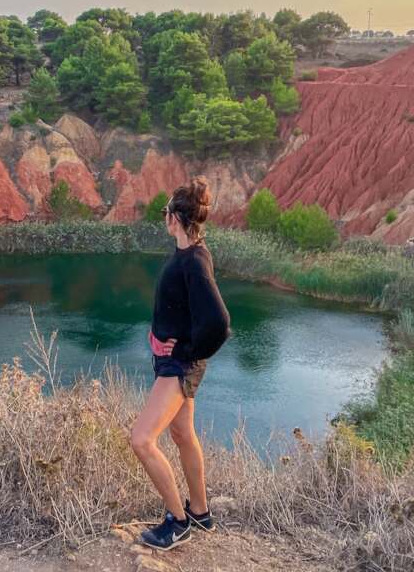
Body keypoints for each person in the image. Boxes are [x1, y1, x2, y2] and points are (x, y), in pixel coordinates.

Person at [131, 176, 232, 550]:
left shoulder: (193, 261)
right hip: (172, 362)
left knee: (141, 440)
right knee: (182, 434)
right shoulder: (191, 252)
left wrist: (184, 351)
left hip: (178, 366)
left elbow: (219, 324)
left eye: (165, 212)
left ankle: (176, 521)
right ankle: (201, 513)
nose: (164, 218)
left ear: (174, 217)